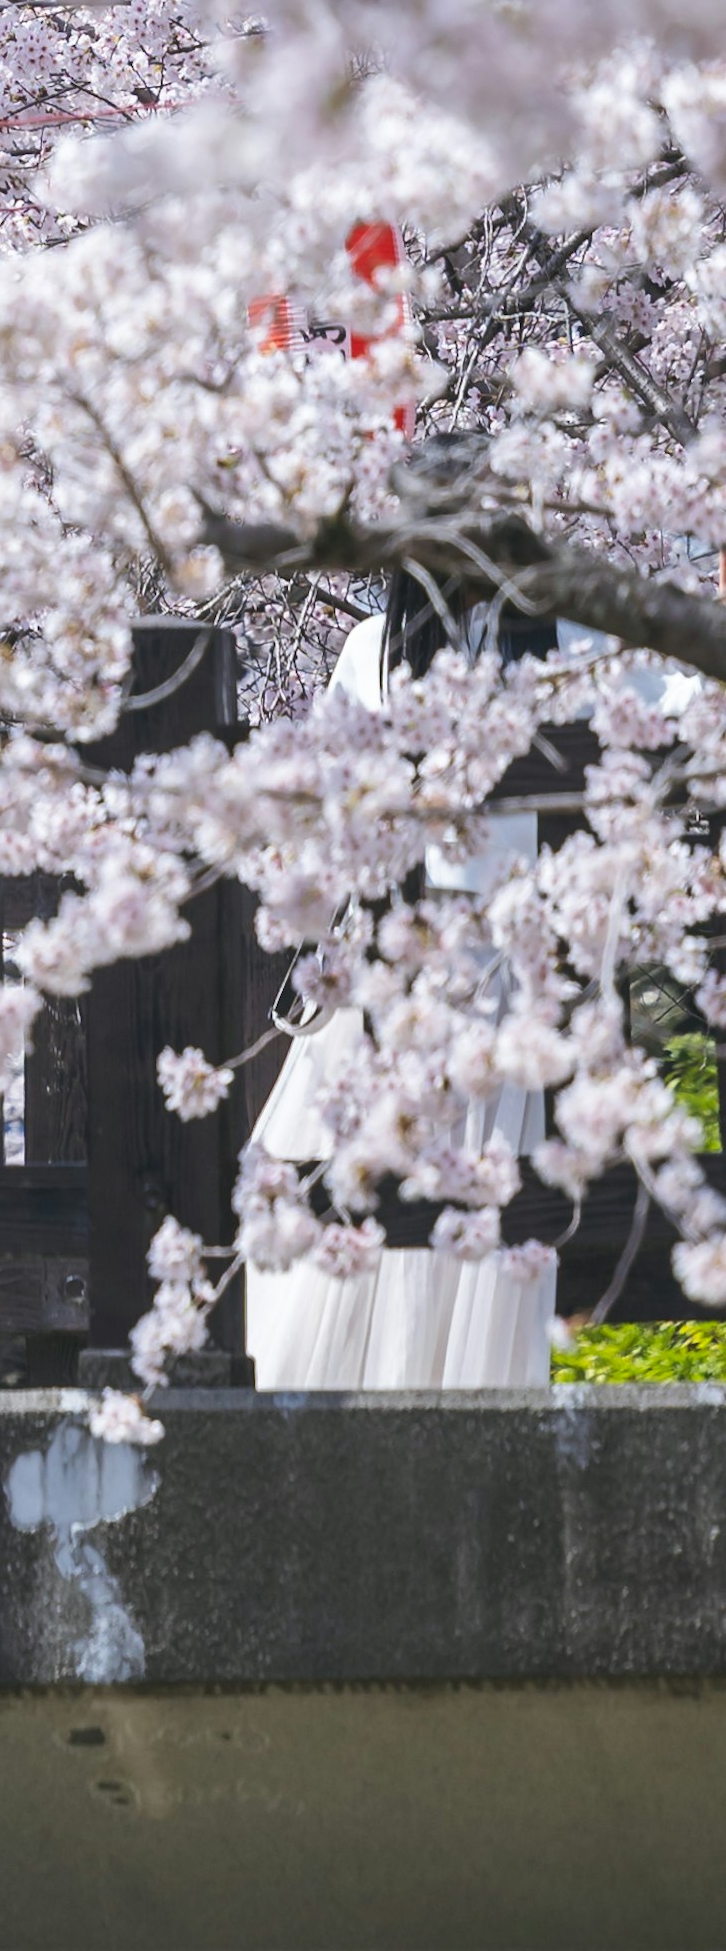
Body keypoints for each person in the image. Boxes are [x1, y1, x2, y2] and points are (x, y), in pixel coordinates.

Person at [242, 590, 559, 1395]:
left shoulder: (376, 649)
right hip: (519, 998)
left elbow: (327, 831)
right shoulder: (571, 645)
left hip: (392, 999)